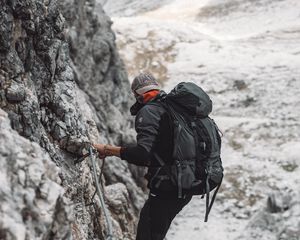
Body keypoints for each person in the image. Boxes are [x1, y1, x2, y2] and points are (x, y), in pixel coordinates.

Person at [93, 72, 192, 240]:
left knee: (148, 234)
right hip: (186, 184)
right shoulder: (173, 109)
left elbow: (142, 155)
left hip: (168, 187)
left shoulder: (149, 111)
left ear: (137, 94)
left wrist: (108, 149)